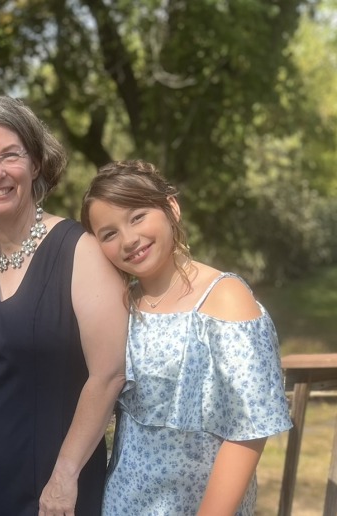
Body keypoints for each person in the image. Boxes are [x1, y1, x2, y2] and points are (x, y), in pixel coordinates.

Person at [0, 94, 128, 516]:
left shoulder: (80, 250)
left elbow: (109, 374)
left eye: (10, 155)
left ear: (36, 163)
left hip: (58, 491)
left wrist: (64, 478)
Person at [80, 159, 293, 515]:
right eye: (109, 234)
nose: (129, 239)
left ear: (171, 208)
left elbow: (249, 429)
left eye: (137, 217)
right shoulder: (122, 305)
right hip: (122, 503)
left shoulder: (225, 298)